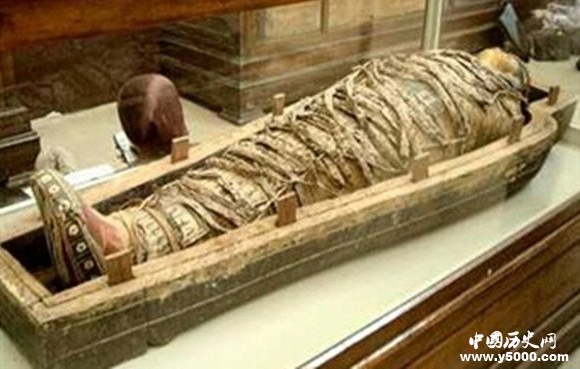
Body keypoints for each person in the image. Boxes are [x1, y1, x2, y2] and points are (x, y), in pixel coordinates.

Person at [31, 48, 530, 288]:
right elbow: (368, 79)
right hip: (347, 112)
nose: (494, 55)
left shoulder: (497, 102)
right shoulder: (436, 59)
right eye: (493, 52)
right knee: (258, 157)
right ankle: (131, 226)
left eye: (502, 59)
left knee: (282, 185)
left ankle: (128, 241)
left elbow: (476, 134)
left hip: (386, 142)